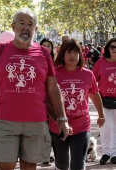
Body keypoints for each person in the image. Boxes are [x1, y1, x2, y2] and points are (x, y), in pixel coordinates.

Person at [0, 8, 72, 170]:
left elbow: (53, 89)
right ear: (13, 26)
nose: (26, 27)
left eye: (30, 24)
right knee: (5, 165)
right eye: (22, 23)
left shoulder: (43, 53)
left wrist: (62, 119)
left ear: (36, 29)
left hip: (36, 122)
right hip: (5, 121)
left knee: (29, 166)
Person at [48, 38, 105, 170]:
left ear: (80, 55)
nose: (72, 56)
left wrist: (101, 115)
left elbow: (95, 95)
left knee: (78, 165)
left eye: (75, 52)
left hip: (81, 125)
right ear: (62, 55)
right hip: (59, 126)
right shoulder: (54, 74)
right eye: (68, 52)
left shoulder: (87, 74)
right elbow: (46, 99)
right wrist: (57, 120)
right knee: (62, 164)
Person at [92, 38, 116, 165]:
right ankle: (106, 153)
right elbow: (92, 80)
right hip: (105, 101)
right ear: (108, 48)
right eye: (112, 47)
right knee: (106, 127)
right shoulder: (101, 62)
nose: (115, 50)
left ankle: (114, 154)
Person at [40, 37, 55, 164]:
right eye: (43, 45)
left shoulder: (57, 64)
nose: (46, 47)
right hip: (40, 101)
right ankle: (45, 155)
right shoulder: (36, 61)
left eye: (48, 45)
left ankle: (53, 153)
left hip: (55, 101)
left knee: (53, 128)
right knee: (43, 129)